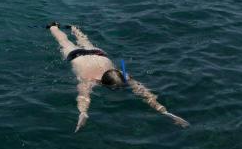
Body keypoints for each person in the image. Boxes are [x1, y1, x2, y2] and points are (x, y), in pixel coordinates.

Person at [46, 22, 189, 132]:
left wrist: (167, 113)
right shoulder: (89, 79)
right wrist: (82, 113)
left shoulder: (119, 76)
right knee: (67, 42)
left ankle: (55, 26)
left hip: (95, 55)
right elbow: (83, 97)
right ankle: (68, 28)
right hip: (89, 54)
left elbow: (84, 97)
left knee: (67, 42)